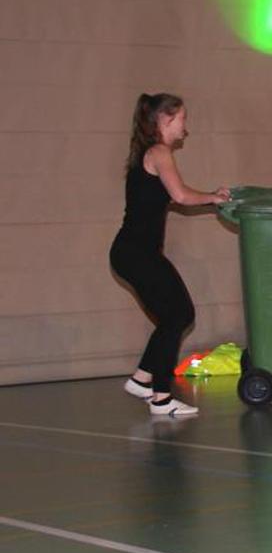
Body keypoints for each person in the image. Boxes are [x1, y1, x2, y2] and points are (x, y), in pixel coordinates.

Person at [110, 93, 230, 417]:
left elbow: (174, 196)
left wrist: (210, 197)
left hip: (134, 252)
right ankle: (159, 396)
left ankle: (144, 381)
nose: (185, 125)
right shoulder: (159, 152)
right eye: (182, 118)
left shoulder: (148, 153)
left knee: (175, 316)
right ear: (165, 119)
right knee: (178, 315)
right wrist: (214, 197)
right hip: (135, 253)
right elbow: (180, 195)